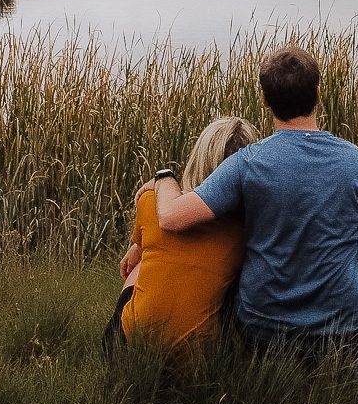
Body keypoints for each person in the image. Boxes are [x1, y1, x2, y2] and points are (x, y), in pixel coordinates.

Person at [154, 45, 358, 367]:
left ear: (265, 100)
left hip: (259, 330)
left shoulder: (247, 163)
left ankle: (249, 365)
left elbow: (171, 218)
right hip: (341, 327)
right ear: (318, 93)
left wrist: (163, 177)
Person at [106, 115, 255, 353]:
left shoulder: (152, 201)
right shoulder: (247, 225)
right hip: (202, 360)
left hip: (126, 349)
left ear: (198, 158)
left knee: (140, 265)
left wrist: (139, 246)